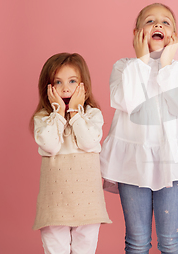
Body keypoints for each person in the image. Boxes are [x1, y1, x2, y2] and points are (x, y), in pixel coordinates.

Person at [100, 3, 178, 254]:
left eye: (166, 22)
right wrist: (142, 61)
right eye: (150, 21)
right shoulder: (124, 66)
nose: (158, 24)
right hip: (133, 162)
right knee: (137, 242)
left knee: (171, 240)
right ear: (137, 33)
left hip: (171, 163)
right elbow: (129, 102)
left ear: (174, 37)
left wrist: (166, 64)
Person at [32, 52, 111, 254]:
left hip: (87, 204)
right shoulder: (44, 118)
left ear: (83, 85)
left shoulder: (92, 114)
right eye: (57, 82)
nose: (65, 88)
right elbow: (50, 146)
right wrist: (58, 113)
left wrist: (75, 113)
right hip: (54, 204)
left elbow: (88, 142)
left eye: (72, 81)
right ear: (48, 87)